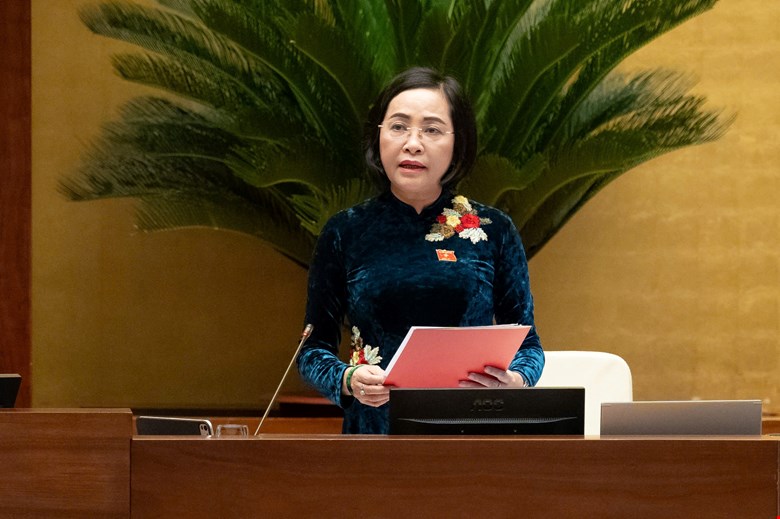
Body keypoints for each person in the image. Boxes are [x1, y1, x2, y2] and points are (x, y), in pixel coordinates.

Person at [296, 67, 545, 434]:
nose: (412, 143)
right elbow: (312, 350)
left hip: (471, 434)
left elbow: (529, 346)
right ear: (378, 136)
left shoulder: (494, 230)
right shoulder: (345, 231)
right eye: (398, 126)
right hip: (375, 434)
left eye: (432, 130)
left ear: (458, 143)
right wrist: (348, 379)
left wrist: (516, 381)